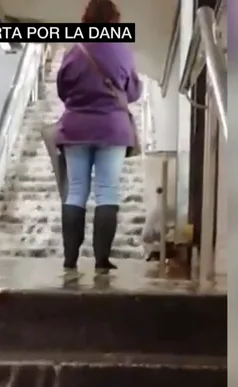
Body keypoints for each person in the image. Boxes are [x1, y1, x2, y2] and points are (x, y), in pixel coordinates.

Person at [55, 0, 143, 276]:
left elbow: (62, 88)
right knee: (107, 190)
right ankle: (101, 259)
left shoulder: (75, 49)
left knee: (77, 190)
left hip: (76, 128)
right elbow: (134, 91)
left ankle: (70, 258)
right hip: (112, 129)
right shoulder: (122, 51)